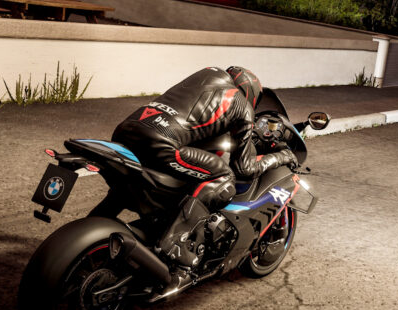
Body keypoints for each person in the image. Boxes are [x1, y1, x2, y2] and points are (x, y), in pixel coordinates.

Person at [112, 66, 297, 268]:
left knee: (124, 187)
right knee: (223, 177)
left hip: (124, 132)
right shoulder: (241, 104)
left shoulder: (201, 80)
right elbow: (244, 169)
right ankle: (176, 243)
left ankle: (102, 217)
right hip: (161, 143)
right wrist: (282, 156)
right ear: (251, 92)